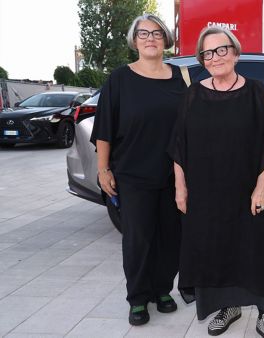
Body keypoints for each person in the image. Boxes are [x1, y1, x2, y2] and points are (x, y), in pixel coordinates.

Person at [168, 26, 264, 338]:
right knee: (215, 250)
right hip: (206, 193)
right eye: (207, 53)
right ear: (202, 59)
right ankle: (228, 307)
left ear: (235, 53)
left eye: (221, 50)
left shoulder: (256, 91)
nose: (215, 57)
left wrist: (261, 187)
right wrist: (180, 187)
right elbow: (179, 143)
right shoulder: (193, 94)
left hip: (246, 190)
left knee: (256, 249)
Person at [90, 14, 186, 326]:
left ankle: (162, 290)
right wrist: (103, 169)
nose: (150, 38)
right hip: (132, 173)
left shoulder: (181, 78)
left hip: (174, 174)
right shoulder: (119, 79)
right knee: (138, 239)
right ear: (134, 40)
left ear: (166, 40)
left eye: (157, 33)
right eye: (143, 33)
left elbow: (193, 126)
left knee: (170, 238)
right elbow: (104, 128)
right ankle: (138, 298)